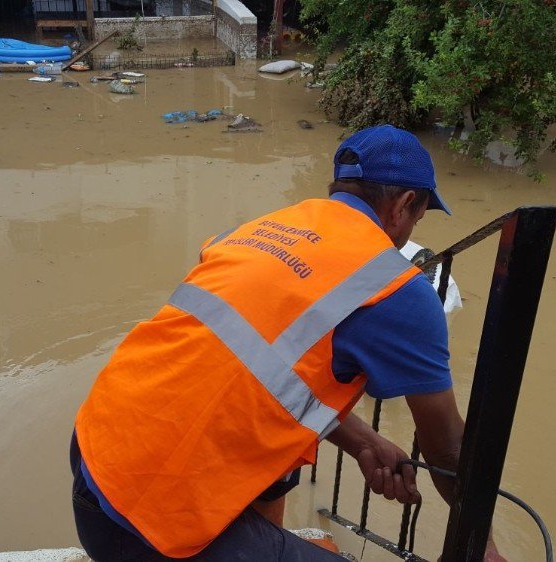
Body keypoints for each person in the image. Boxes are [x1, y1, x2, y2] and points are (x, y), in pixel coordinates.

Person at [71, 125, 505, 561]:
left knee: (288, 460)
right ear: (405, 205)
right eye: (417, 219)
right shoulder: (396, 288)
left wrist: (365, 442)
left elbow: (262, 369)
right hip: (148, 524)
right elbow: (448, 446)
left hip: (94, 456)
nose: (408, 234)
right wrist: (482, 548)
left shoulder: (258, 230)